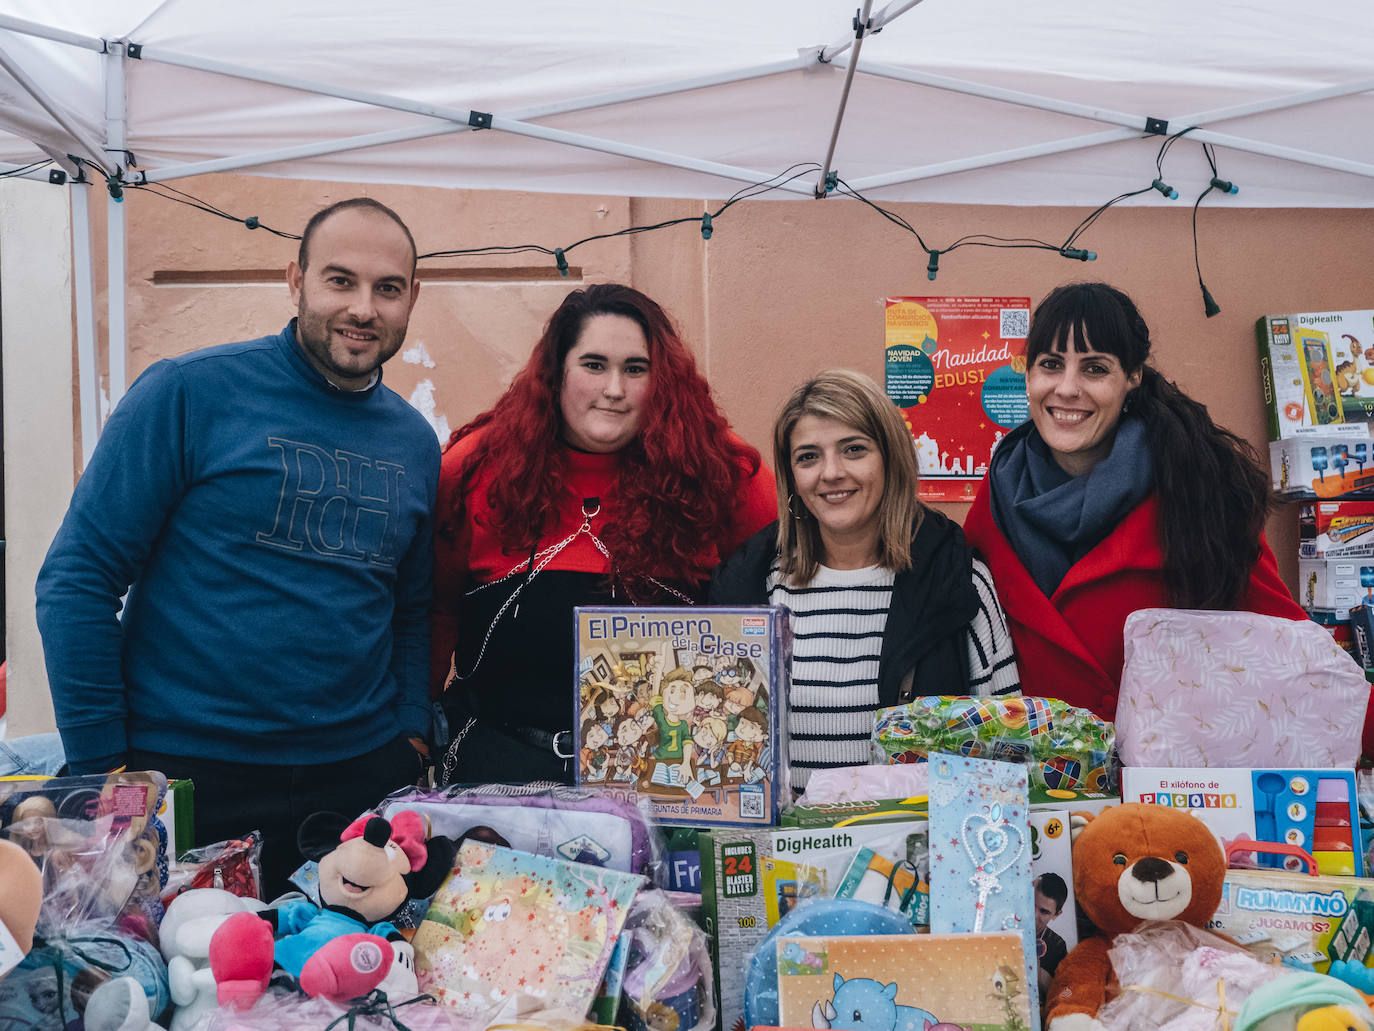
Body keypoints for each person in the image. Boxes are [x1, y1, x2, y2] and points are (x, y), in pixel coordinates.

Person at [36, 198, 438, 896]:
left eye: (388, 288)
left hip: (355, 785)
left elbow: (412, 606)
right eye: (339, 281)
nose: (364, 308)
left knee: (349, 991)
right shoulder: (189, 393)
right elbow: (77, 579)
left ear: (412, 299)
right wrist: (106, 774)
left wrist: (408, 733)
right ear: (296, 280)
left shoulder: (415, 442)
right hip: (190, 778)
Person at [961, 283, 1344, 741]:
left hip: (1166, 787)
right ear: (1027, 374)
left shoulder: (1199, 493)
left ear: (1133, 377)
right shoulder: (999, 493)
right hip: (1046, 793)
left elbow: (1291, 648)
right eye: (1050, 365)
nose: (1066, 388)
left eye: (1095, 368)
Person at [431, 284, 777, 784]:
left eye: (635, 369)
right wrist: (413, 733)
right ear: (557, 373)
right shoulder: (475, 467)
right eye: (594, 365)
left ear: (663, 382)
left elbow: (769, 620)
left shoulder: (722, 473)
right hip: (497, 778)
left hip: (666, 783)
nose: (614, 389)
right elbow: (434, 611)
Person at [710, 369, 1020, 791]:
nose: (831, 472)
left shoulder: (958, 582)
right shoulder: (750, 588)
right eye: (808, 457)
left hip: (917, 852)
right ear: (792, 478)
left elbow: (1009, 750)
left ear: (891, 458)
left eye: (854, 449)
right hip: (781, 856)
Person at [1033, 873, 1069, 995]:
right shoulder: (1003, 924)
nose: (1034, 916)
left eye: (1044, 912)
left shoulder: (1058, 945)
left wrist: (1041, 977)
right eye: (1031, 904)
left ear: (1056, 914)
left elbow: (1067, 994)